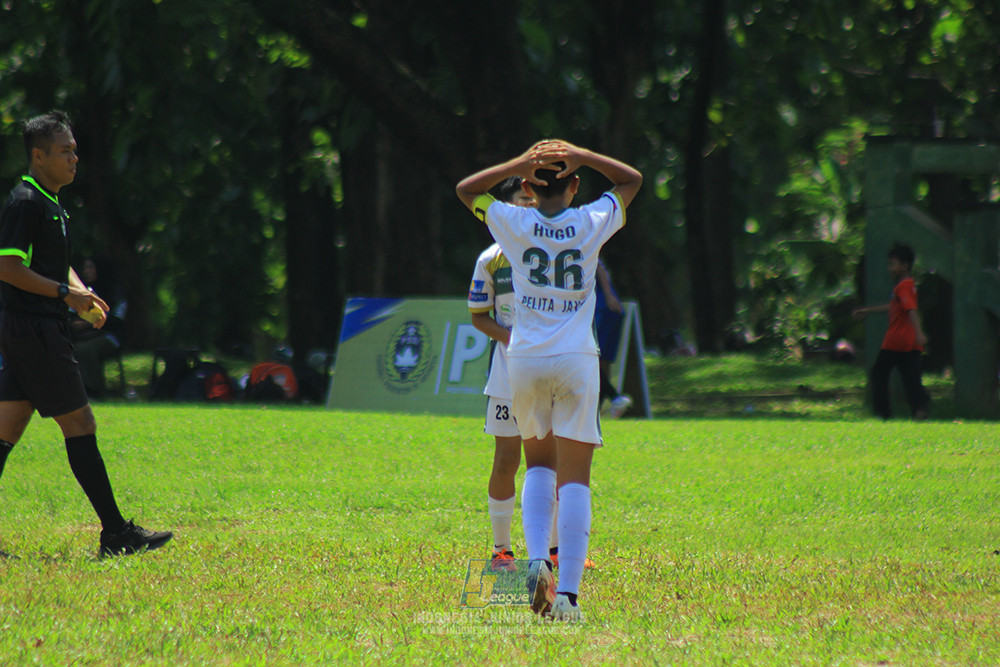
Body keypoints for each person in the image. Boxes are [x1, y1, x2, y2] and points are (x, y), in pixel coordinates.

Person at [457, 139, 642, 622]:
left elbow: (466, 190)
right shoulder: (590, 220)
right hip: (576, 358)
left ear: (527, 186)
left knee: (537, 465)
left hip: (525, 358)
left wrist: (521, 162)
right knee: (574, 477)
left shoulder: (513, 222)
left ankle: (537, 558)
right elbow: (632, 180)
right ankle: (568, 598)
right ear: (575, 185)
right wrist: (584, 154)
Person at [0, 111, 171, 558]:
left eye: (75, 150)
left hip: (34, 328)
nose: (74, 158)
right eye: (65, 151)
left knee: (6, 429)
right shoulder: (26, 202)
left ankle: (116, 533)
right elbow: (8, 267)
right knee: (80, 424)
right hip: (35, 329)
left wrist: (80, 294)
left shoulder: (51, 203)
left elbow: (56, 264)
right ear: (39, 156)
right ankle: (116, 534)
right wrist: (65, 294)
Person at [853, 242, 930, 420]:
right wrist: (867, 311)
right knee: (911, 378)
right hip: (909, 342)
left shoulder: (903, 286)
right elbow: (895, 306)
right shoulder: (908, 285)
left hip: (896, 340)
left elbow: (911, 310)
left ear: (905, 266)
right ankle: (920, 408)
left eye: (892, 264)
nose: (890, 268)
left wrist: (920, 333)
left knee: (878, 373)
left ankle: (884, 413)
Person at [69, 257, 126, 399]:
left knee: (85, 350)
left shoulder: (114, 292)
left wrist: (90, 322)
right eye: (85, 268)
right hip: (81, 336)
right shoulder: (81, 292)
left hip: (109, 336)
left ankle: (93, 391)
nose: (87, 271)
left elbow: (117, 320)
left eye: (91, 267)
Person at [594, 257, 633, 418]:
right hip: (603, 308)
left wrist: (609, 295)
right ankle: (599, 410)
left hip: (602, 309)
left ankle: (614, 398)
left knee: (592, 360)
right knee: (601, 362)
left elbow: (599, 267)